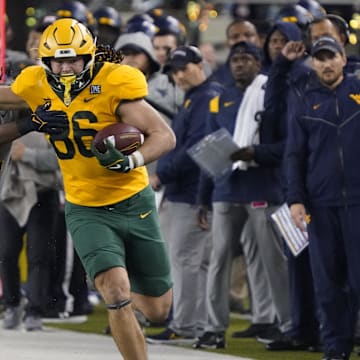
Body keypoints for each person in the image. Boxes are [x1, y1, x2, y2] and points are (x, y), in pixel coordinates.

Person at [0, 18, 175, 360]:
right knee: (115, 290)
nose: (65, 68)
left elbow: (165, 136)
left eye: (73, 60)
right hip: (85, 207)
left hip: (133, 201)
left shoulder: (114, 83)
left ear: (88, 57)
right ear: (45, 61)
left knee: (157, 311)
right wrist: (28, 123)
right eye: (58, 61)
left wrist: (131, 160)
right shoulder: (35, 85)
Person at [194, 41, 291, 349]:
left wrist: (256, 152)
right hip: (225, 189)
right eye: (235, 59)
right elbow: (209, 150)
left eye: (246, 58)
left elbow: (286, 146)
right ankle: (213, 328)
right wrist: (203, 197)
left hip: (262, 188)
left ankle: (285, 324)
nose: (239, 64)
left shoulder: (271, 95)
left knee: (272, 261)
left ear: (258, 63)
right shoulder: (220, 99)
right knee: (219, 259)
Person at [286, 35, 360, 360]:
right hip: (321, 204)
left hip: (359, 203)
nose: (326, 63)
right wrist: (295, 199)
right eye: (320, 58)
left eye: (332, 57)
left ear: (344, 59)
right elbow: (294, 156)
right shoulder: (304, 100)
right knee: (328, 285)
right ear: (312, 63)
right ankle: (335, 350)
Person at [146, 45, 223, 344]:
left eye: (183, 68)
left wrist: (162, 174)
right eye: (174, 71)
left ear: (199, 64)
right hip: (187, 191)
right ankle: (194, 323)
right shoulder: (197, 98)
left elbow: (197, 149)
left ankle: (185, 325)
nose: (178, 75)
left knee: (185, 260)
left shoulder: (207, 97)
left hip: (190, 191)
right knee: (193, 262)